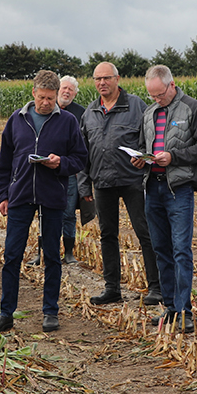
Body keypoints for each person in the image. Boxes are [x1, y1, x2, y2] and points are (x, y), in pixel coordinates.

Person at [0, 71, 88, 333]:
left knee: (52, 256)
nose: (46, 102)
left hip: (53, 196)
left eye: (51, 98)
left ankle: (50, 312)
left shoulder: (67, 121)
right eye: (42, 97)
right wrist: (3, 195)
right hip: (20, 196)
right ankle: (6, 313)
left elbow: (80, 158)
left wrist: (60, 163)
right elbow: (4, 163)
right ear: (33, 93)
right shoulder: (16, 120)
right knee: (12, 255)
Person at [134, 65, 197, 334]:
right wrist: (140, 159)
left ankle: (184, 311)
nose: (156, 99)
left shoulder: (193, 108)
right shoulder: (148, 113)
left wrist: (174, 157)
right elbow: (144, 145)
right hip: (152, 187)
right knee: (161, 250)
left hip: (178, 189)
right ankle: (170, 308)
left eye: (159, 94)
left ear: (171, 85)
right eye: (152, 95)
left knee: (181, 250)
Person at [80, 62, 161, 306]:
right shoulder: (90, 112)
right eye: (97, 79)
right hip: (102, 181)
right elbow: (83, 152)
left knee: (145, 233)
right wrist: (85, 187)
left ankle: (156, 288)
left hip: (133, 181)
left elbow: (152, 140)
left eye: (106, 78)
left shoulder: (137, 106)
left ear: (117, 79)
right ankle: (112, 288)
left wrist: (144, 160)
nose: (101, 83)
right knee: (107, 235)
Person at [55, 75, 87, 266]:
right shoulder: (47, 109)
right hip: (47, 170)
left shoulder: (81, 113)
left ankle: (68, 252)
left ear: (75, 93)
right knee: (45, 212)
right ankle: (43, 251)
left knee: (68, 213)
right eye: (64, 88)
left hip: (71, 172)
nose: (66, 92)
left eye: (71, 90)